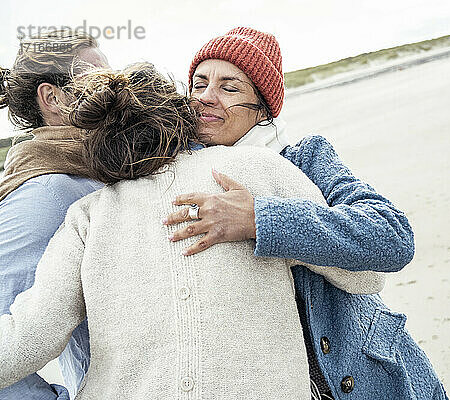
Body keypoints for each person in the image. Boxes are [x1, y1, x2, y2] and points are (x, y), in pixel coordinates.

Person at [0, 62, 384, 399]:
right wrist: (267, 222)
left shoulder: (86, 216)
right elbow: (366, 275)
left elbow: (28, 337)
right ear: (179, 116)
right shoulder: (257, 169)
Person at [163, 27, 448, 399]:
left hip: (363, 375)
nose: (205, 98)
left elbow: (391, 236)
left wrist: (260, 219)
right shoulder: (174, 177)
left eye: (229, 88)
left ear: (262, 108)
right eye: (198, 85)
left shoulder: (304, 159)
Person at [0, 30, 109, 400]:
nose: (115, 89)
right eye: (98, 79)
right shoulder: (44, 194)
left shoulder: (102, 167)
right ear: (53, 98)